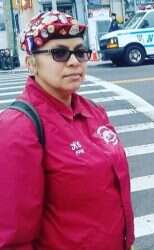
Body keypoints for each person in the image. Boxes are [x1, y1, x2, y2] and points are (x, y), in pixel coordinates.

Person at [0, 11, 134, 250]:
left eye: (80, 52)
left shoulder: (93, 112)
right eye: (59, 53)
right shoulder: (19, 128)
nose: (74, 61)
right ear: (31, 64)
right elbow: (13, 237)